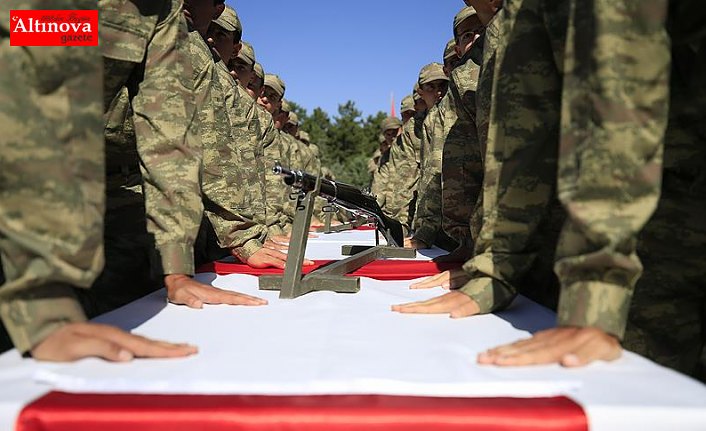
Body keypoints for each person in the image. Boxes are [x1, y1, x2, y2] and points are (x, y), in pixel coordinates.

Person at [0, 0, 197, 362]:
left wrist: (176, 266)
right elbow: (40, 102)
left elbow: (169, 135)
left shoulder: (161, 8)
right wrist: (45, 307)